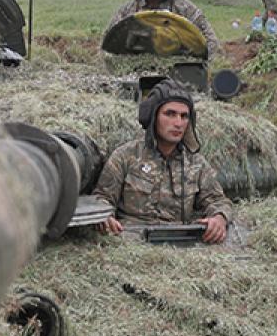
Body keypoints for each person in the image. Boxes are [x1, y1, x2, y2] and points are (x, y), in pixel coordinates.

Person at [92, 79, 232, 244]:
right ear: (153, 116)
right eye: (170, 114)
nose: (178, 123)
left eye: (184, 116)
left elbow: (218, 201)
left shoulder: (196, 163)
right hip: (130, 242)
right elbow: (102, 197)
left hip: (179, 245)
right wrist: (105, 216)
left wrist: (219, 218)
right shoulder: (126, 156)